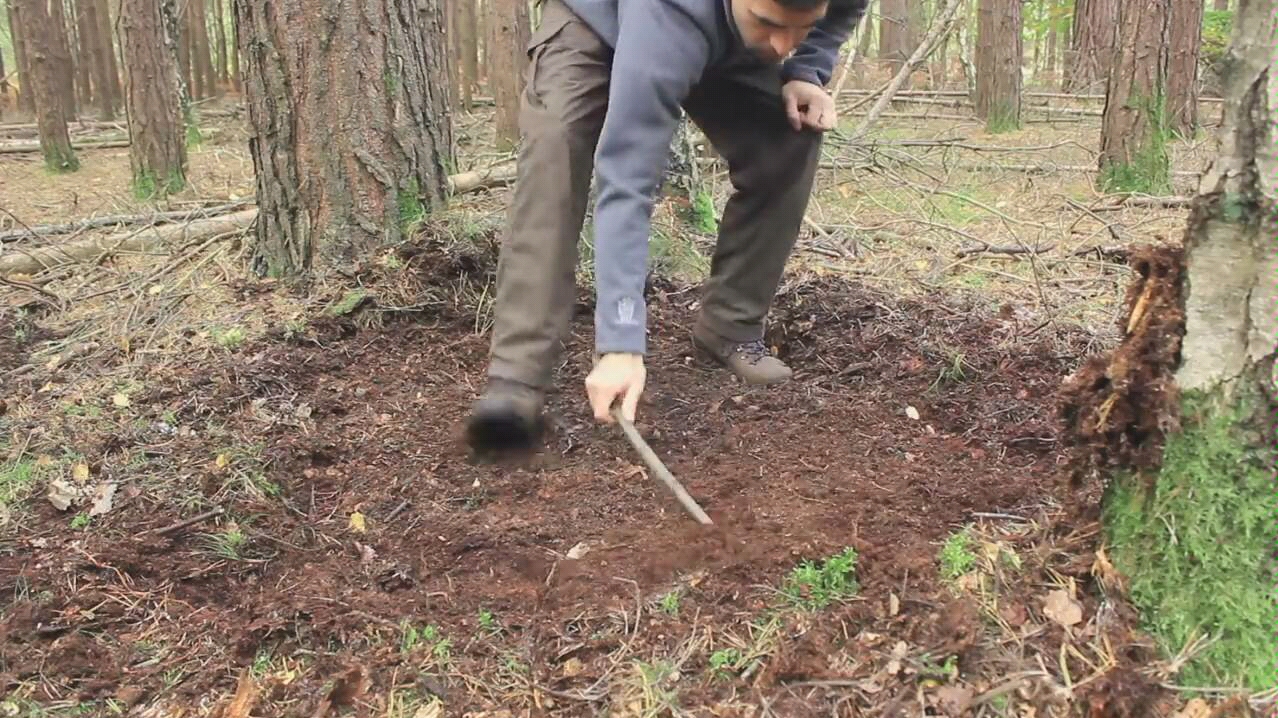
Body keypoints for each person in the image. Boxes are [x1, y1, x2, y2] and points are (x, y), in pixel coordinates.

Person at [465, 0, 866, 450]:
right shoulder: (671, 19)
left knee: (787, 133)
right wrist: (621, 342)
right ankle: (517, 375)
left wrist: (806, 69)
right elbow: (628, 177)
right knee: (556, 155)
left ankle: (730, 326)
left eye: (799, 28)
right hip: (594, 20)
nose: (780, 46)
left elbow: (841, 12)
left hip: (715, 31)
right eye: (770, 24)